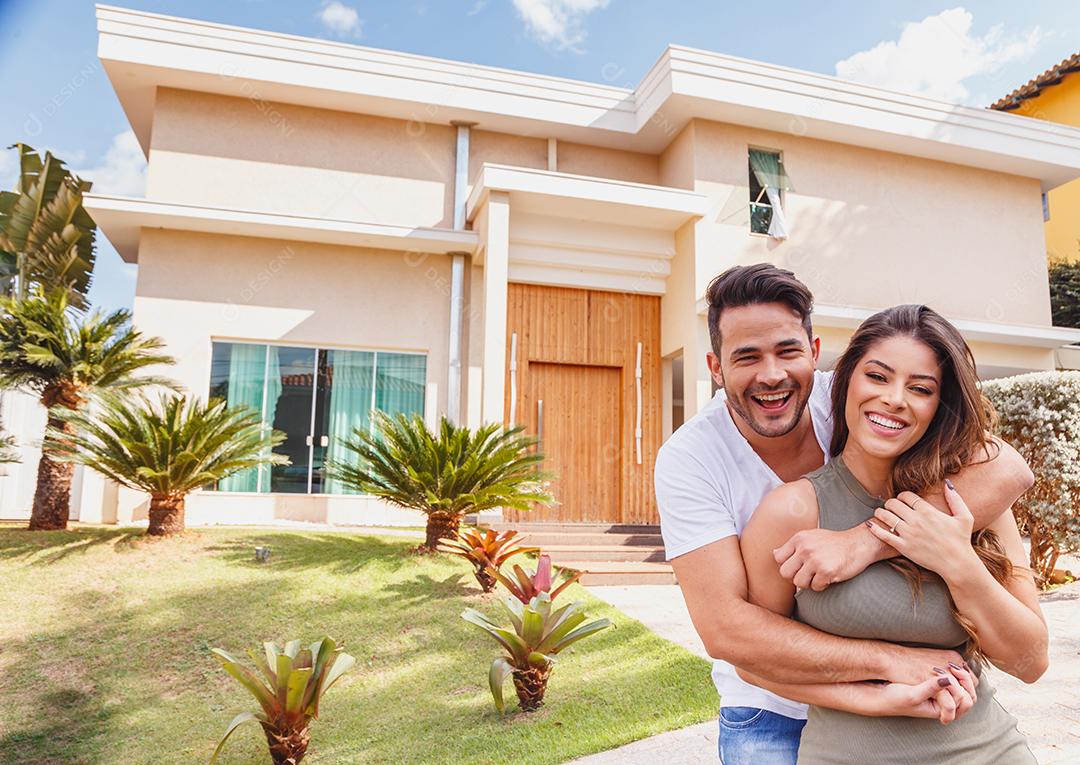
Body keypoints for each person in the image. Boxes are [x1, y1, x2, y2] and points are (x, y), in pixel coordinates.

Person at [654, 264, 1035, 765]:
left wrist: (866, 542)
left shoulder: (860, 394)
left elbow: (1007, 467)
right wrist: (889, 665)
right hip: (771, 704)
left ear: (814, 353)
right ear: (716, 367)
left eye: (788, 351)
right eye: (747, 356)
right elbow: (727, 629)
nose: (772, 374)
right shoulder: (691, 459)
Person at [738, 303, 1046, 763]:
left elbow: (1030, 661)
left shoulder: (968, 501)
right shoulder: (792, 511)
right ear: (847, 380)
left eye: (920, 388)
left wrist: (956, 559)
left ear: (939, 406)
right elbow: (754, 663)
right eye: (877, 377)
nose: (895, 399)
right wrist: (875, 696)